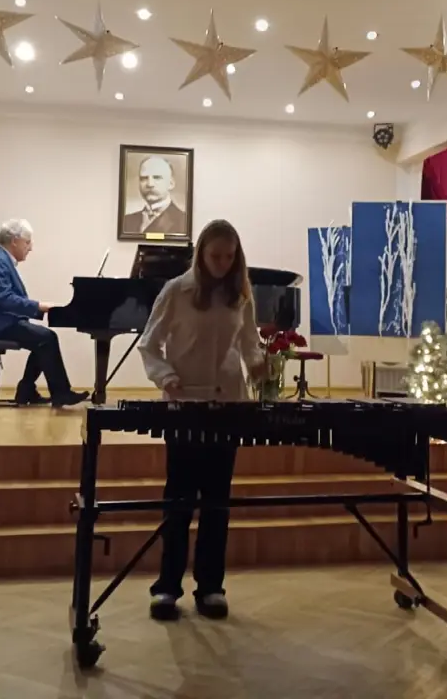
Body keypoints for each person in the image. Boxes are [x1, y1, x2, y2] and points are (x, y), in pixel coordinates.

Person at [138, 218, 266, 621]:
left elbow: (249, 342)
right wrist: (166, 377)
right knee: (179, 499)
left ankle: (211, 587)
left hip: (226, 405)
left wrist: (260, 365)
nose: (222, 264)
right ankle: (167, 587)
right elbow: (149, 345)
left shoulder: (239, 294)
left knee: (217, 502)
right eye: (215, 256)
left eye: (229, 257)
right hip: (185, 405)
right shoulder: (176, 291)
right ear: (201, 254)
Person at [0, 218, 88, 407]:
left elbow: (6, 299)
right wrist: (38, 306)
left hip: (1, 322)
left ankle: (27, 391)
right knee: (46, 338)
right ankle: (59, 393)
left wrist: (36, 308)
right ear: (14, 241)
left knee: (43, 340)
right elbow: (5, 299)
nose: (30, 247)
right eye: (27, 242)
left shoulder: (1, 261)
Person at [121, 156, 188, 236]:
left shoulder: (183, 221)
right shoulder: (126, 220)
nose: (150, 184)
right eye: (144, 178)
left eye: (157, 178)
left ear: (171, 184)